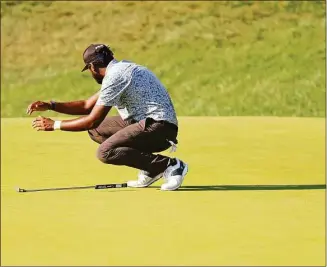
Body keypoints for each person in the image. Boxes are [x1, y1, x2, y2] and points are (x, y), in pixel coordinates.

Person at [27, 43, 188, 191]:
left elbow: (92, 119)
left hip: (159, 129)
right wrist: (51, 105)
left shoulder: (115, 76)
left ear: (92, 67)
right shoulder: (120, 69)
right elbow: (86, 106)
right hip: (150, 125)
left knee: (105, 152)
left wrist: (55, 125)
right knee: (97, 130)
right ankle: (151, 168)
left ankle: (170, 165)